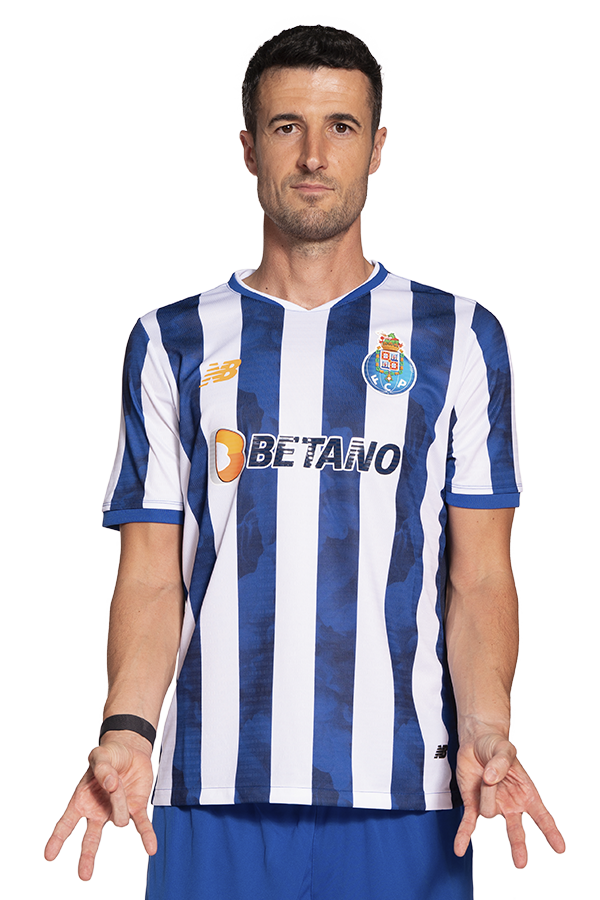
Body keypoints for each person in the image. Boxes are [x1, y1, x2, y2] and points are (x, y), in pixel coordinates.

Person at [44, 23, 565, 900]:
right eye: (287, 126)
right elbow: (151, 575)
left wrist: (487, 727)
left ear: (378, 147)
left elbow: (479, 576)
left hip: (410, 797)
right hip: (212, 793)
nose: (315, 155)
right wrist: (127, 729)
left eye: (341, 127)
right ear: (250, 148)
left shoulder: (458, 337)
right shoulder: (171, 342)